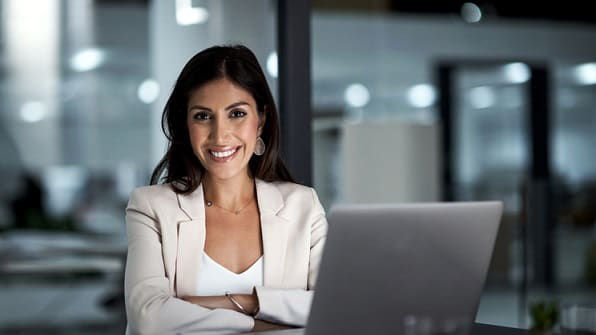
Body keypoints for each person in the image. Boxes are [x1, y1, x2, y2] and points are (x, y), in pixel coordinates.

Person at [124, 45, 328, 334]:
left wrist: (243, 302)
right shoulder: (151, 207)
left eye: (237, 114)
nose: (220, 135)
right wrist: (259, 325)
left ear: (261, 121)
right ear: (186, 125)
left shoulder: (303, 207)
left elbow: (332, 307)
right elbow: (149, 319)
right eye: (203, 116)